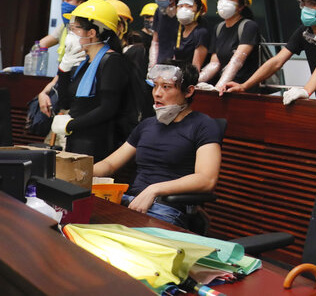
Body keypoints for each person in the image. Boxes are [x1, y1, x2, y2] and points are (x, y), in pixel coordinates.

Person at [92, 63, 222, 228]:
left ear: (188, 91)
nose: (157, 94)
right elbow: (109, 164)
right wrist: (80, 172)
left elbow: (206, 179)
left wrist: (154, 190)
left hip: (165, 208)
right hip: (129, 202)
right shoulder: (147, 125)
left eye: (166, 87)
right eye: (155, 86)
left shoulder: (203, 125)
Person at [222, 0, 316, 104]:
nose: (306, 8)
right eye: (304, 4)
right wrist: (244, 86)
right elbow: (277, 61)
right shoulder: (304, 31)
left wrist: (305, 90)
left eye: (312, 4)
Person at [49, 0, 134, 162]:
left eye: (75, 29)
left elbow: (108, 109)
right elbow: (66, 103)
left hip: (98, 142)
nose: (70, 34)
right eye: (70, 29)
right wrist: (64, 70)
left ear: (92, 32)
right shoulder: (82, 61)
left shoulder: (112, 61)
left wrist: (71, 125)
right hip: (77, 139)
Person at [34, 0, 92, 116]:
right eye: (63, 0)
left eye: (68, 0)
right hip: (63, 77)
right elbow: (41, 44)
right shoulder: (64, 27)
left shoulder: (89, 34)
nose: (64, 4)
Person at [198, 0, 260, 92]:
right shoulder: (219, 28)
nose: (224, 2)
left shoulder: (249, 26)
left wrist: (218, 88)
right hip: (224, 89)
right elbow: (214, 63)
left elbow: (236, 61)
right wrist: (194, 82)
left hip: (243, 90)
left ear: (241, 6)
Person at [146, 0, 180, 67]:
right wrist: (152, 65)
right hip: (161, 66)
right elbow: (155, 41)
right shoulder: (159, 12)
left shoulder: (185, 14)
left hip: (178, 67)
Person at [171, 0, 210, 70]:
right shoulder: (179, 30)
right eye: (180, 6)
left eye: (189, 6)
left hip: (191, 79)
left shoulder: (201, 33)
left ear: (200, 10)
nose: (183, 9)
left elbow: (195, 68)